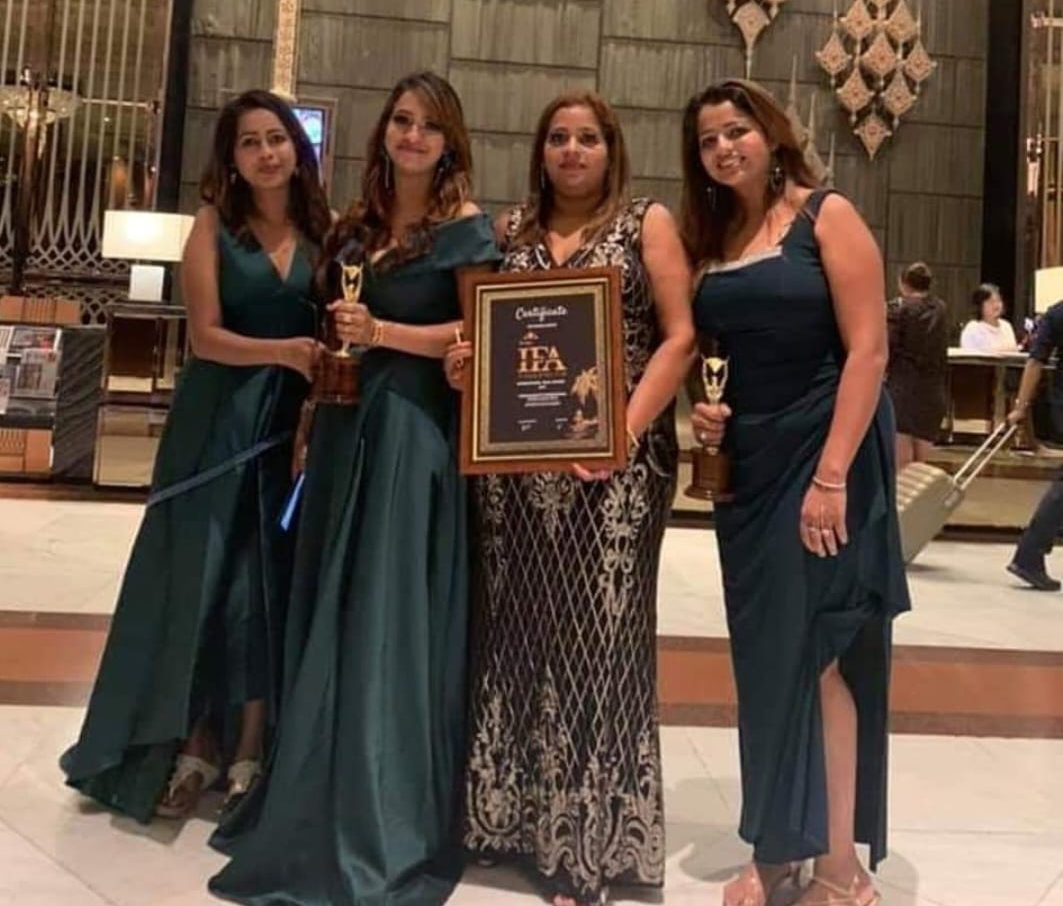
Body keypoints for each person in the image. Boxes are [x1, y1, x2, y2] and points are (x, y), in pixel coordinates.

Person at [209, 71, 501, 906]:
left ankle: (381, 810)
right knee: (333, 601)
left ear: (449, 142)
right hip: (341, 425)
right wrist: (308, 421)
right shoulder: (354, 225)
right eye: (400, 120)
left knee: (384, 609)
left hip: (411, 429)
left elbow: (480, 328)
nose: (411, 135)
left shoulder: (465, 228)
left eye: (428, 125)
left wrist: (385, 331)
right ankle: (316, 782)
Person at [445, 91, 695, 906]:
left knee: (600, 643)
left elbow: (680, 337)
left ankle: (590, 840)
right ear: (540, 149)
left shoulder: (645, 223)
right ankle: (509, 824)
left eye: (587, 137)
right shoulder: (510, 232)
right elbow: (488, 341)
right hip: (516, 476)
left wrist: (621, 429)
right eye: (557, 136)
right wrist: (465, 366)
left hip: (616, 469)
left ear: (610, 148)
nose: (571, 150)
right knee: (516, 636)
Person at [61, 89, 330, 822]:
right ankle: (191, 742)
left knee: (262, 584)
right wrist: (285, 352)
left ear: (297, 149)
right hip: (217, 425)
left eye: (277, 138)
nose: (266, 152)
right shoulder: (212, 227)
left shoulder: (325, 231)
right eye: (250, 142)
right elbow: (206, 337)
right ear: (232, 159)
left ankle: (250, 746)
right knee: (200, 579)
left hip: (289, 430)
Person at [682, 79, 910, 906]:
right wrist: (706, 411)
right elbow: (714, 354)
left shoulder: (826, 215)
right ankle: (778, 848)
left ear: (771, 134)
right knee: (766, 660)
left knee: (815, 654)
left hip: (824, 453)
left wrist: (831, 476)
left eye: (736, 130)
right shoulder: (717, 236)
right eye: (707, 139)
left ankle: (841, 865)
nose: (723, 148)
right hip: (749, 466)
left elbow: (868, 351)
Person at [1003, 300, 1063, 591]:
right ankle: (1029, 553)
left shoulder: (1057, 312)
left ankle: (1030, 554)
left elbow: (1035, 360)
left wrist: (1020, 407)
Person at [886, 262, 949, 467]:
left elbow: (886, 348)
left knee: (901, 466)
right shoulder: (940, 309)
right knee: (921, 467)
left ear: (903, 283)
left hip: (902, 390)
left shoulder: (897, 310)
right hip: (933, 393)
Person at [959, 283, 1019, 352]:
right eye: (991, 301)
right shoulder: (973, 329)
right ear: (980, 305)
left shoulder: (1006, 326)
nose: (996, 305)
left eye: (998, 300)